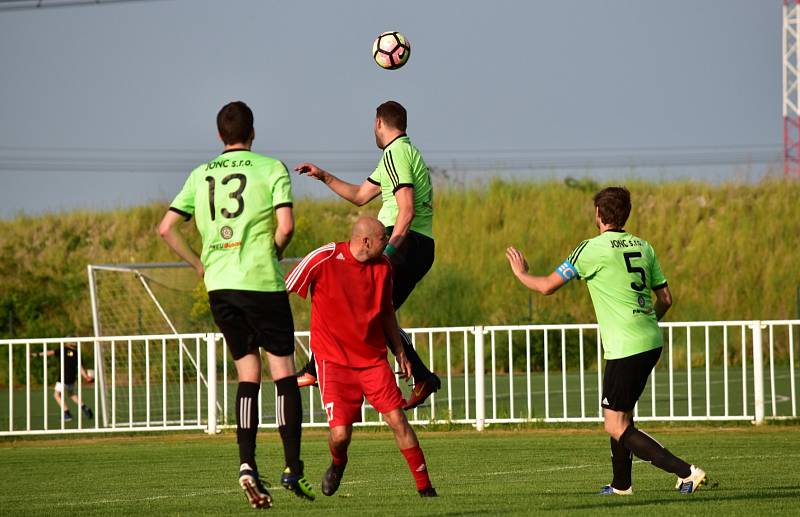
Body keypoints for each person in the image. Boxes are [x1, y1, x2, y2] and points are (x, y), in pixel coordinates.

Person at [158, 101, 315, 509]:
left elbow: (167, 228)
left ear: (219, 136)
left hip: (220, 286)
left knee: (247, 373)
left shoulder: (200, 174)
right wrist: (270, 253)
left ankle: (247, 464)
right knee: (281, 369)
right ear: (253, 132)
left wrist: (200, 265)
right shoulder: (270, 168)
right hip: (260, 281)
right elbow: (286, 226)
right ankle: (292, 466)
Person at [505, 186, 708, 495]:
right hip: (650, 339)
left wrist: (521, 274)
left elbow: (547, 286)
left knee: (614, 424)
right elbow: (665, 298)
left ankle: (685, 472)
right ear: (625, 214)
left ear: (598, 214)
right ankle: (621, 484)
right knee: (622, 416)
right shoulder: (644, 246)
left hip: (625, 346)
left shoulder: (591, 248)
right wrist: (646, 321)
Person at [294, 100, 439, 410]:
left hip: (404, 243)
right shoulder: (404, 153)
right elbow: (361, 196)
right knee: (373, 312)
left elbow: (407, 209)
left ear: (378, 123)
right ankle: (423, 377)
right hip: (418, 245)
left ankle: (314, 368)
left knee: (358, 306)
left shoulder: (394, 153)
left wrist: (387, 252)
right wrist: (324, 176)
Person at [285, 216, 438, 498]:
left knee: (398, 420)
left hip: (372, 360)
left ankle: (425, 489)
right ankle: (338, 464)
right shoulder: (325, 257)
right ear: (366, 240)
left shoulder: (384, 268)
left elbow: (387, 313)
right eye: (384, 238)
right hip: (333, 363)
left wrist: (400, 350)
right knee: (341, 435)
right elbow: (284, 288)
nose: (388, 243)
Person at [39, 341, 94, 422]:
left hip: (63, 377)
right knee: (71, 394)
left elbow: (50, 352)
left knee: (56, 395)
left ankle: (67, 414)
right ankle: (84, 407)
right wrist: (86, 376)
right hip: (71, 378)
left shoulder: (64, 349)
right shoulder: (77, 353)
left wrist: (37, 354)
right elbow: (80, 367)